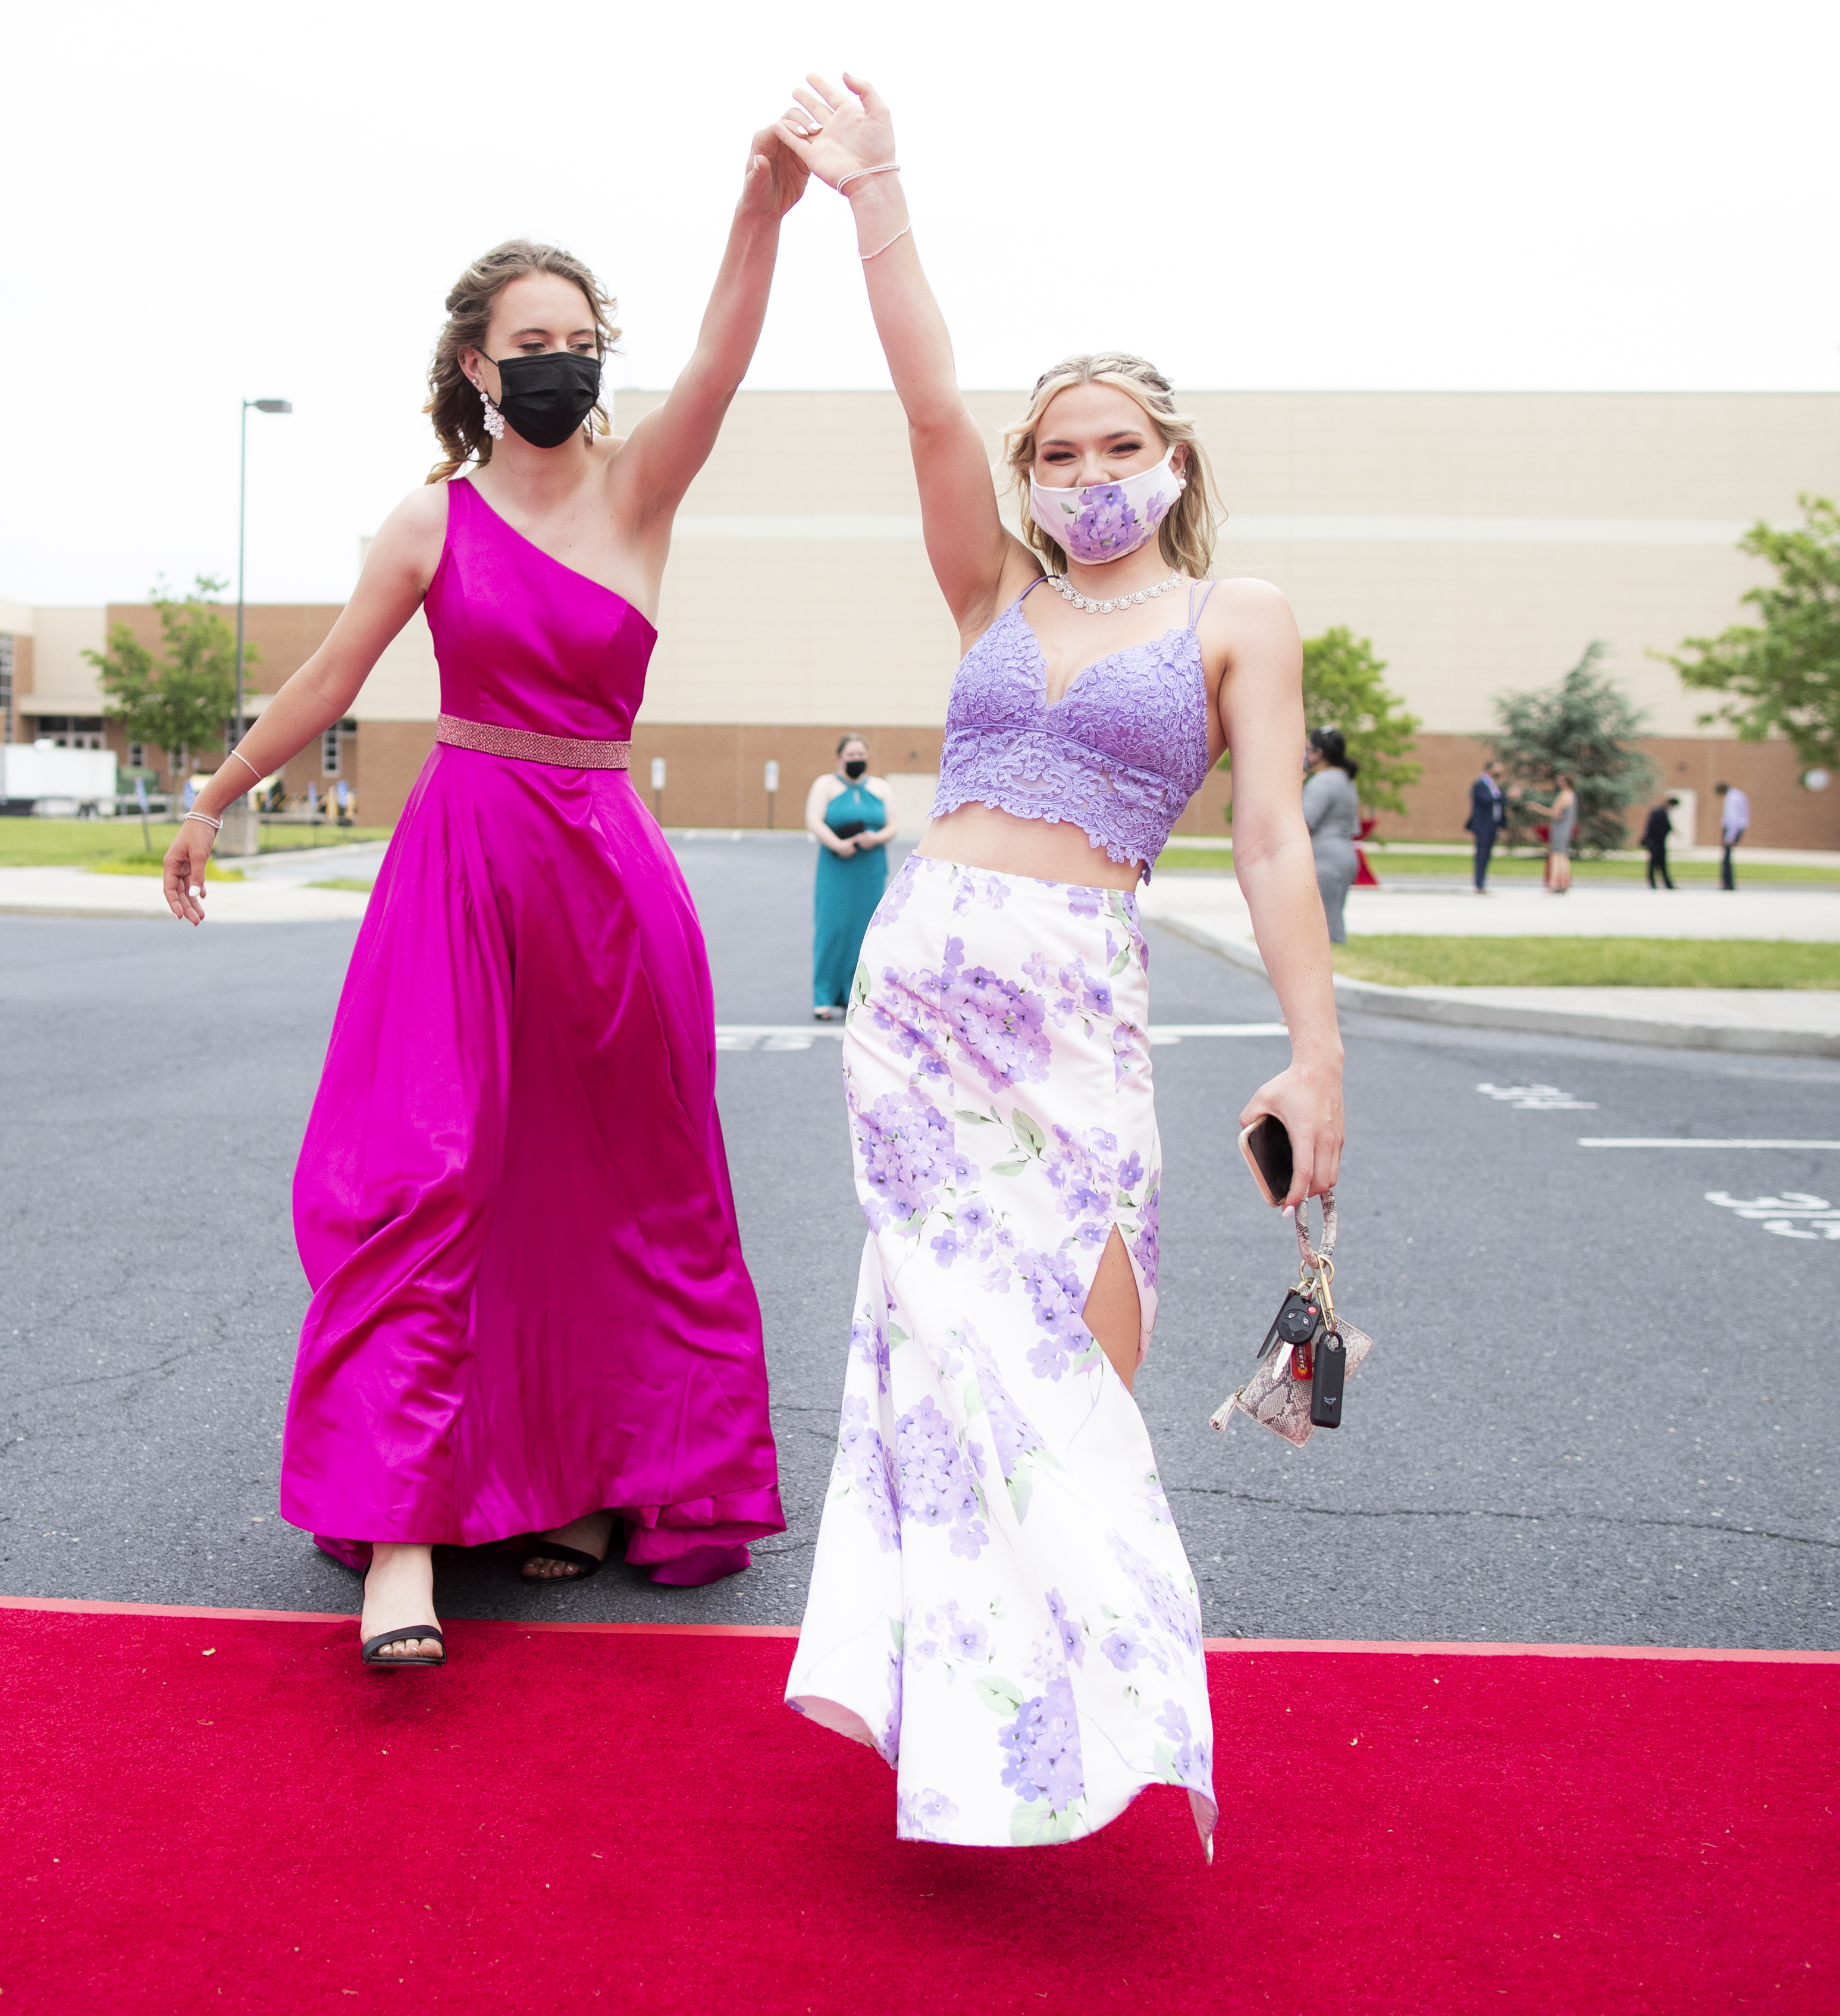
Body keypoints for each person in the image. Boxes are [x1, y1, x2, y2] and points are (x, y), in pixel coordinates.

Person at [771, 74, 1344, 1855]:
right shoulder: (987, 595)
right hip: (926, 989)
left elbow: (1264, 843)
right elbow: (925, 394)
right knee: (948, 1350)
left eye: (1116, 447)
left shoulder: (1236, 617)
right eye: (1058, 452)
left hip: (1082, 992)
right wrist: (878, 194)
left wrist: (1318, 1056)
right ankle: (970, 1715)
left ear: (1175, 461)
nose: (1086, 475)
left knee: (1086, 1343)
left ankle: (1084, 1688)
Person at [159, 141, 811, 1669]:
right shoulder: (428, 518)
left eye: (580, 342)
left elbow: (720, 357)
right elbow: (328, 681)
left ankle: (592, 1479)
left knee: (619, 1192)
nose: (560, 365)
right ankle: (401, 1543)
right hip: (460, 861)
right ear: (475, 364)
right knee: (422, 1177)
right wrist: (211, 796)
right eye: (530, 345)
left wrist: (758, 208)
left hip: (604, 875)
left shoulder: (640, 487)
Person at [808, 732, 893, 1019]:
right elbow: (814, 820)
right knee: (832, 929)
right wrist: (838, 844)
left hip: (870, 867)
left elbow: (893, 825)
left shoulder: (881, 787)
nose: (856, 760)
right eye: (851, 755)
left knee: (866, 931)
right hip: (836, 866)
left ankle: (852, 994)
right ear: (839, 758)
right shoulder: (826, 785)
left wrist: (877, 837)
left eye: (861, 755)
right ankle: (823, 997)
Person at [1302, 728, 1361, 943]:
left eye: (1309, 749)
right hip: (1345, 854)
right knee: (1333, 917)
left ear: (1319, 753)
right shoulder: (1346, 780)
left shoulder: (1322, 782)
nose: (1307, 755)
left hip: (1324, 858)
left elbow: (1304, 822)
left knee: (1324, 929)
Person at [1466, 759, 1506, 893]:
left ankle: (1482, 883)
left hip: (1492, 824)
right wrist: (1506, 797)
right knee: (1482, 854)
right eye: (1498, 768)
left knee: (1487, 854)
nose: (1501, 771)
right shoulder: (1480, 784)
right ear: (1491, 769)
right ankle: (1479, 884)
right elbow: (1486, 800)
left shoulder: (1492, 785)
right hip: (1483, 824)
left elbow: (1495, 803)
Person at [1544, 774, 1577, 893]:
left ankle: (1554, 883)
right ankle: (1564, 882)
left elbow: (1555, 812)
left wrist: (1539, 809)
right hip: (1566, 828)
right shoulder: (1572, 795)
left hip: (1559, 828)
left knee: (1556, 855)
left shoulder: (1564, 795)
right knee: (1563, 855)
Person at [1717, 779, 1749, 889]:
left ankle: (1728, 884)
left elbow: (1733, 818)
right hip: (1738, 828)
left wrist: (1730, 836)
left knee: (1726, 857)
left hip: (1732, 829)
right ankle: (1728, 883)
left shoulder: (1731, 798)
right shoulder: (1738, 794)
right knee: (1727, 856)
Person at [1641, 799, 1675, 889]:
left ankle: (1664, 883)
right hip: (1656, 841)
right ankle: (1659, 883)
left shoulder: (1662, 812)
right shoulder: (1659, 812)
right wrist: (1648, 839)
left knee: (1658, 863)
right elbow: (1651, 826)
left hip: (1660, 841)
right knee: (1655, 862)